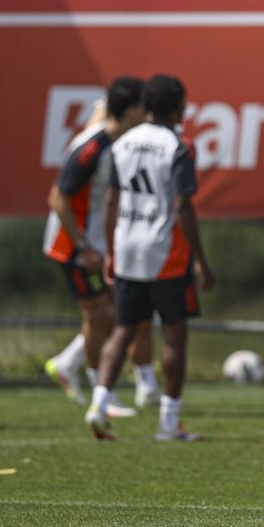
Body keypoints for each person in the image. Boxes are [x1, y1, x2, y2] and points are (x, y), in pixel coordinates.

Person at [85, 74, 215, 442]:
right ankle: (168, 423)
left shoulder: (123, 143)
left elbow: (111, 201)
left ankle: (99, 404)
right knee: (174, 335)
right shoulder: (179, 146)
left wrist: (111, 250)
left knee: (124, 329)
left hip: (127, 247)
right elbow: (183, 206)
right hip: (165, 251)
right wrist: (201, 259)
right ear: (177, 107)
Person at [43, 89, 159, 409]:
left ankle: (69, 364)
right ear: (131, 111)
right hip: (73, 245)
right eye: (143, 109)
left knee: (121, 311)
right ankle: (101, 395)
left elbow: (102, 109)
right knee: (100, 314)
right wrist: (83, 248)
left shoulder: (112, 137)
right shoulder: (92, 148)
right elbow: (57, 198)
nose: (148, 115)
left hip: (94, 243)